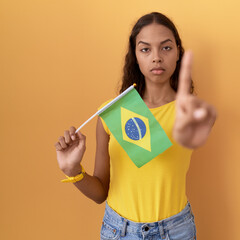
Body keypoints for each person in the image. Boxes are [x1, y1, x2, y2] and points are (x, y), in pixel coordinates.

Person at [54, 12, 216, 240]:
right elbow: (100, 192)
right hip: (118, 231)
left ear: (178, 52)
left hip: (175, 231)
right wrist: (73, 171)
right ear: (135, 56)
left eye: (166, 48)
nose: (156, 57)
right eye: (145, 49)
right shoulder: (113, 113)